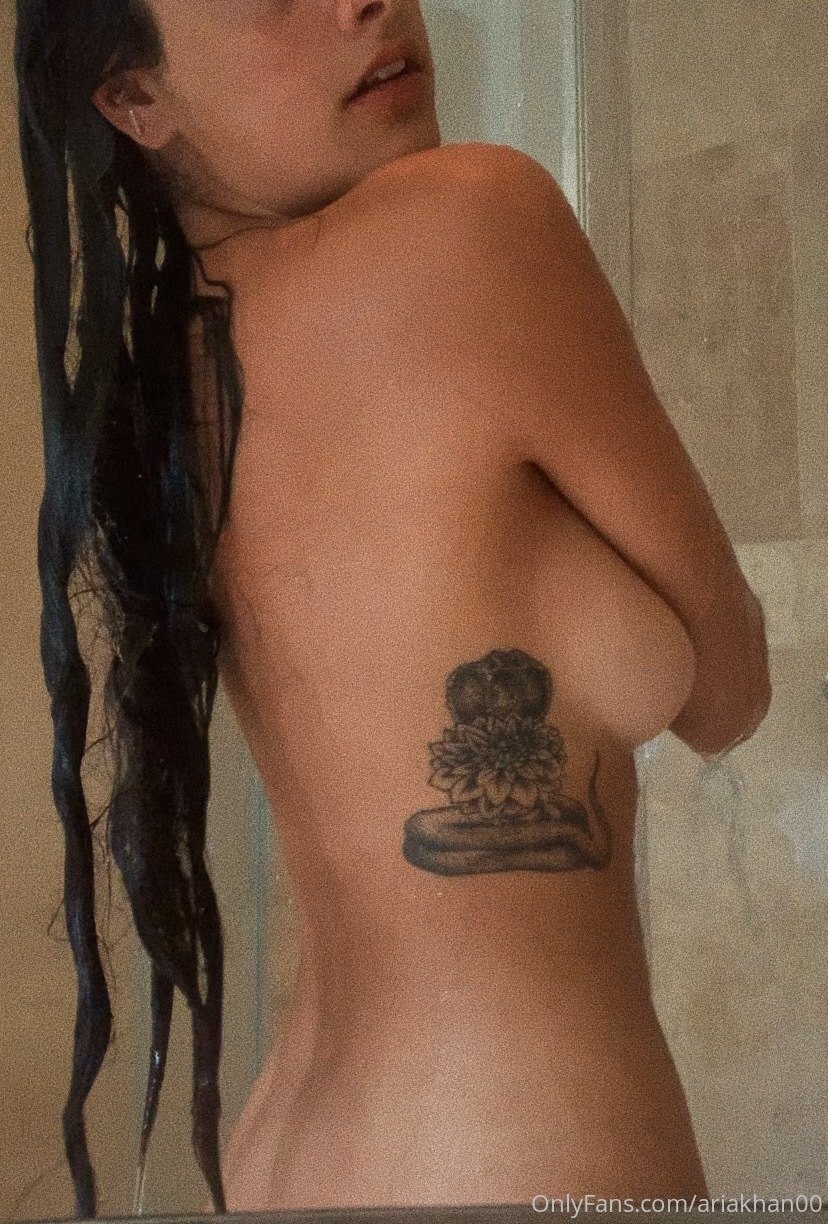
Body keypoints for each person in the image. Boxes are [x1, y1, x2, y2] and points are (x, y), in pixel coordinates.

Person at [13, 0, 772, 1216]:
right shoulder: (471, 219)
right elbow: (730, 691)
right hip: (508, 1159)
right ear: (135, 100)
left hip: (286, 1160)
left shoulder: (174, 370)